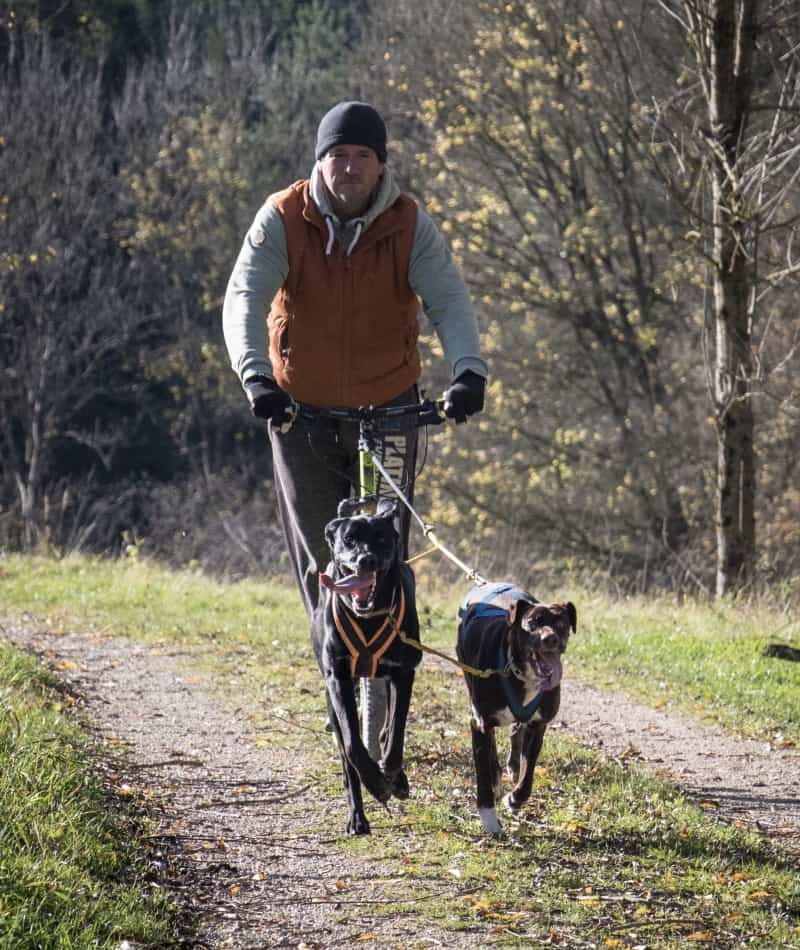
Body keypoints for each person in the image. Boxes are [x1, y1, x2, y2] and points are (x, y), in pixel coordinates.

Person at [222, 101, 487, 748]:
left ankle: (382, 685)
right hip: (299, 412)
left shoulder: (408, 223)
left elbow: (448, 298)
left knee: (382, 545)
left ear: (380, 164)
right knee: (326, 556)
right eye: (337, 154)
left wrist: (468, 372)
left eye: (361, 155)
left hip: (390, 408)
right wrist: (257, 379)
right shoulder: (283, 217)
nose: (349, 165)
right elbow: (244, 298)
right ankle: (338, 681)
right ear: (320, 160)